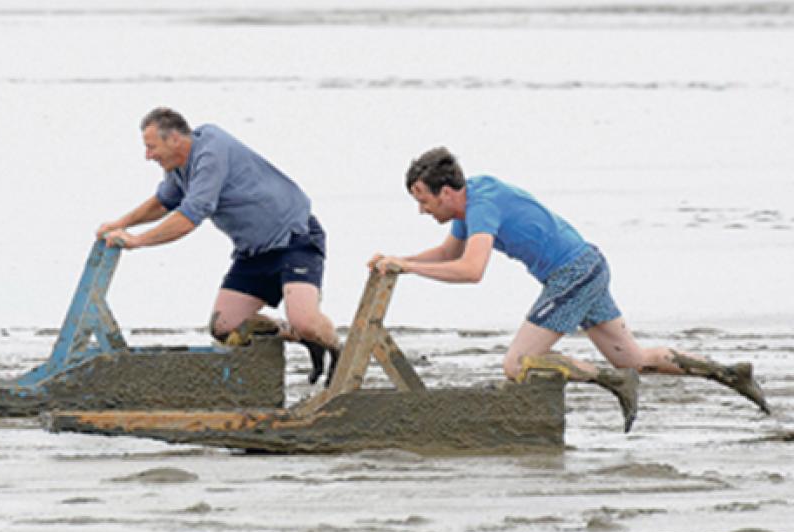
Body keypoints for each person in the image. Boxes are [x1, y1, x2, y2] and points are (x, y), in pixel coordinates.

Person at [369, 147, 769, 432]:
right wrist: (398, 263)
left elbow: (473, 270)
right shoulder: (470, 201)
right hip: (589, 266)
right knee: (634, 357)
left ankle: (615, 383)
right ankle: (730, 373)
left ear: (447, 192)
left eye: (423, 200)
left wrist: (407, 267)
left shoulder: (481, 205)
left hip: (574, 273)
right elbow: (447, 252)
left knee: (516, 364)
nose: (422, 210)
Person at [97, 107, 340, 381]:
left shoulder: (211, 151)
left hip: (294, 237)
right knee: (224, 327)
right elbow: (163, 203)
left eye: (151, 147)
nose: (147, 156)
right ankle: (303, 337)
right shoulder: (179, 167)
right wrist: (121, 223)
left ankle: (336, 349)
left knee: (306, 320)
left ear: (175, 139)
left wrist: (139, 241)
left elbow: (189, 217)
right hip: (253, 252)